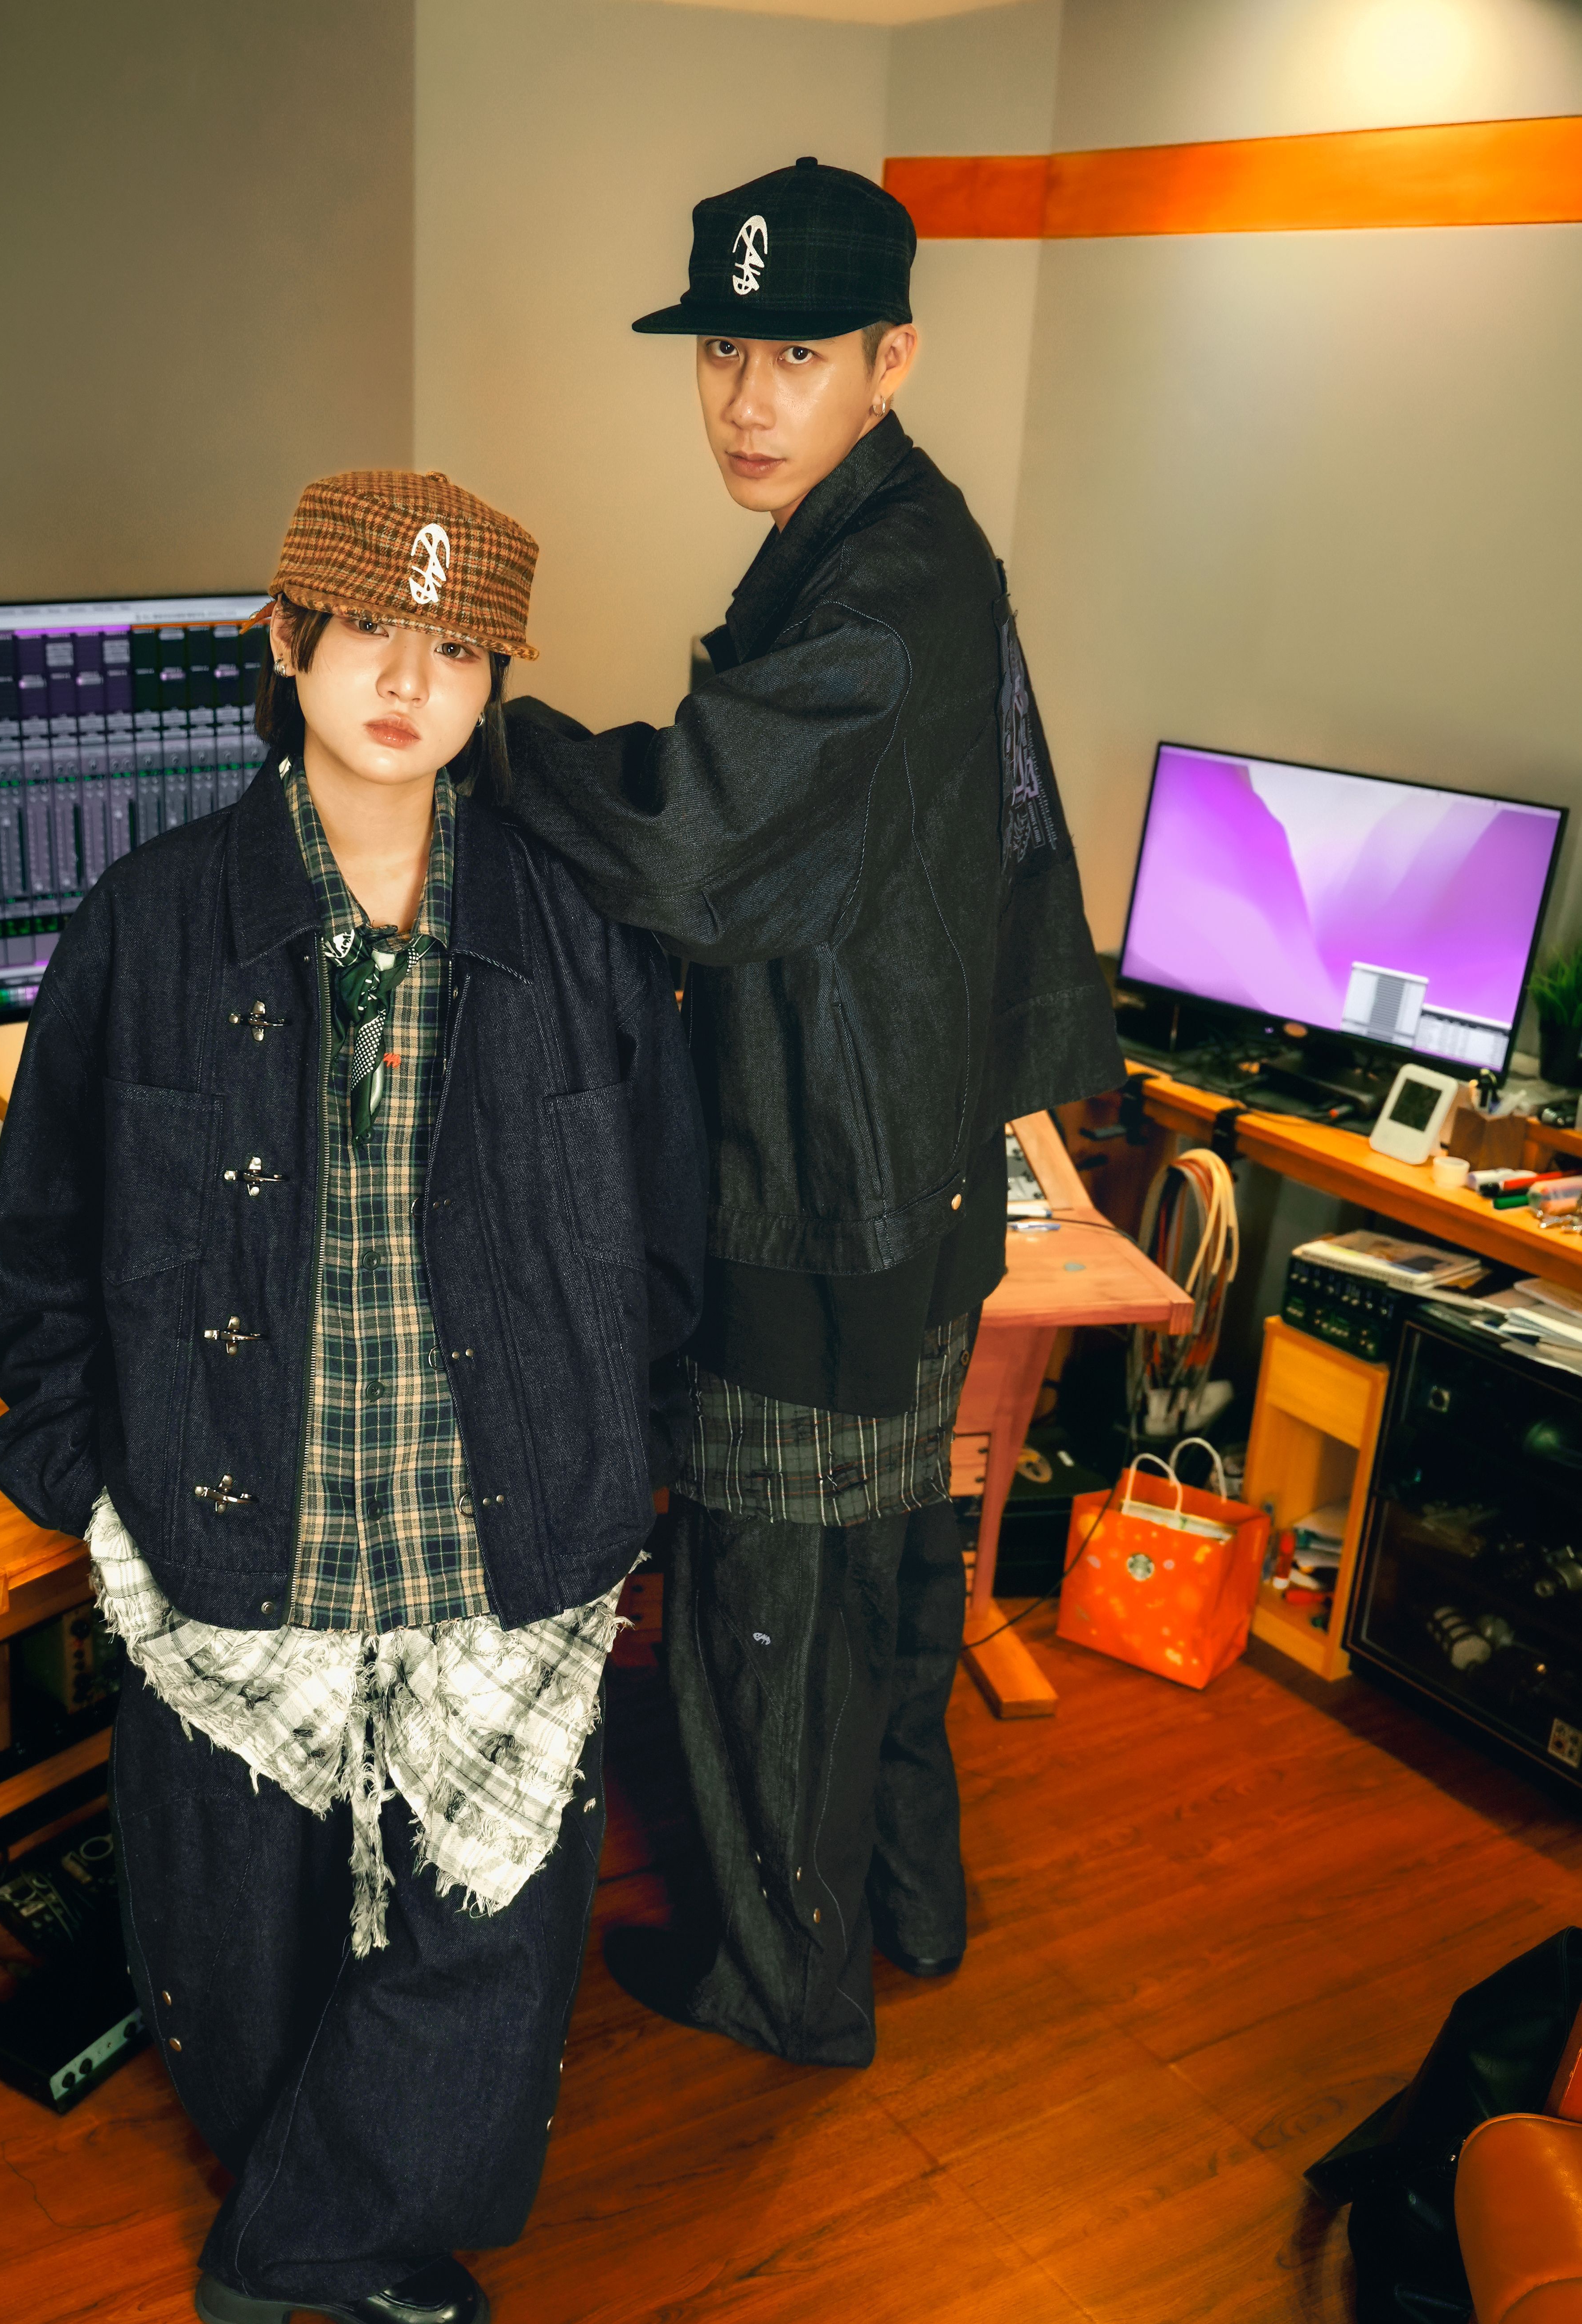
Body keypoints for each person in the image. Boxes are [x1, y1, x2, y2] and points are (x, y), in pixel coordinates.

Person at [0, 469, 705, 2324]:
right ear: (285, 640)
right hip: (234, 1526)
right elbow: (34, 1261)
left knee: (487, 1938)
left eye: (455, 649)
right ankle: (337, 2205)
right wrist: (97, 1489)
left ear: (494, 682)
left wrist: (617, 1463)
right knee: (244, 1937)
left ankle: (301, 2233)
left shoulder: (576, 928)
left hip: (501, 1527)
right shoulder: (146, 924)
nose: (406, 682)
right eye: (369, 630)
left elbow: (666, 1245)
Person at [498, 159, 1123, 2069]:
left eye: (795, 358)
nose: (747, 401)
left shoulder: (881, 591)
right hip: (913, 1167)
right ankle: (909, 1903)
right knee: (887, 1570)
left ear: (890, 358)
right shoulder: (908, 540)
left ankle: (783, 1989)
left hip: (825, 1183)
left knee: (770, 1591)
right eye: (721, 357)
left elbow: (695, 842)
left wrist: (489, 738)